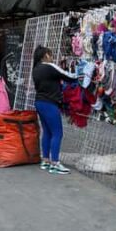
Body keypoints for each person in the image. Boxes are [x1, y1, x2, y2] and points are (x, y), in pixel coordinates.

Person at [32, 45, 77, 175]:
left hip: (39, 102)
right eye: (51, 54)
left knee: (47, 132)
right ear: (45, 55)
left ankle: (46, 161)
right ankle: (55, 163)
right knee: (57, 133)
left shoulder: (35, 69)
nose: (52, 57)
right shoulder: (49, 66)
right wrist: (84, 73)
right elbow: (69, 76)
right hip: (49, 104)